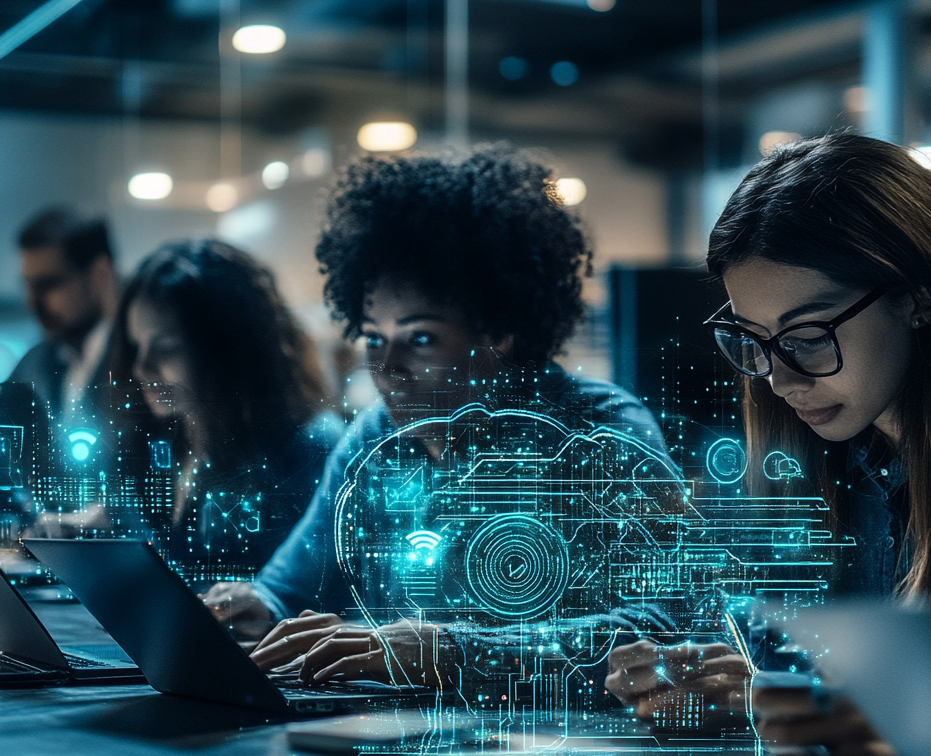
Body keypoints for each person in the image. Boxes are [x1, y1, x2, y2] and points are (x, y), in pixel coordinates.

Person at [604, 133, 931, 756]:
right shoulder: (824, 465)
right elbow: (710, 621)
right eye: (755, 341)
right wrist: (745, 688)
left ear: (917, 297)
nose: (778, 377)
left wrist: (850, 712)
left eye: (806, 337)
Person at [205, 145, 675, 691]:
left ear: (501, 328)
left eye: (421, 339)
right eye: (374, 339)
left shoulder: (601, 432)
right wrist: (253, 605)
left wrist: (455, 651)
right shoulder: (374, 438)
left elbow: (671, 623)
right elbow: (289, 588)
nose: (386, 371)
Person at [69, 239, 343, 582]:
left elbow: (306, 596)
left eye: (166, 348)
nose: (141, 368)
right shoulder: (164, 443)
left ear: (226, 349)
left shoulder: (308, 449)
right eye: (137, 346)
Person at [10, 209, 118, 420]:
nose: (31, 302)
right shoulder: (31, 366)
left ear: (99, 274)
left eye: (48, 284)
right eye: (28, 286)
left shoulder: (142, 364)